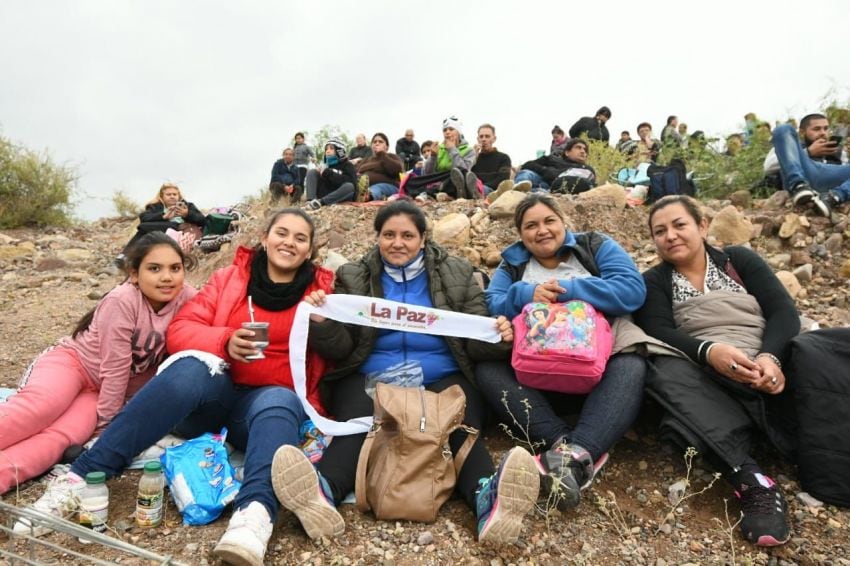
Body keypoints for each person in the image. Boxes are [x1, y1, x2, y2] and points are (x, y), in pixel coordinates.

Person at [16, 209, 337, 566]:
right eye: (282, 233)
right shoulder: (229, 279)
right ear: (265, 238)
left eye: (299, 238)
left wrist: (324, 324)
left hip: (265, 409)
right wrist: (225, 341)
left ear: (309, 250)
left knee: (279, 399)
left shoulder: (321, 293)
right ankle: (81, 477)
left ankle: (254, 517)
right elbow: (180, 329)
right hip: (215, 394)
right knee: (190, 369)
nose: (288, 243)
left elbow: (344, 350)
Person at [275, 199, 540, 544]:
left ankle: (489, 503)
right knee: (358, 426)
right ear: (377, 238)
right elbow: (342, 348)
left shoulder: (457, 272)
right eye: (388, 235)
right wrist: (324, 323)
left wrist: (499, 336)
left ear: (423, 239)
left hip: (443, 373)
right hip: (369, 374)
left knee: (459, 427)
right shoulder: (353, 275)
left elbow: (475, 341)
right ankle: (321, 495)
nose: (397, 243)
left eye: (407, 235)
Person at [634, 195, 798, 547]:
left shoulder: (738, 260)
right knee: (658, 367)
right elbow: (659, 331)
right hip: (707, 376)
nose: (671, 236)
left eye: (680, 225)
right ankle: (750, 477)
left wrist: (771, 357)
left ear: (702, 226)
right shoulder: (655, 281)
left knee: (827, 348)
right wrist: (710, 352)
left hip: (766, 365)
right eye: (660, 231)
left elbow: (784, 312)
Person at [478, 193, 647, 509]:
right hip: (538, 371)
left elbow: (632, 289)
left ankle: (576, 452)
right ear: (521, 234)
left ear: (563, 222)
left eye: (548, 221)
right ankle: (565, 447)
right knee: (487, 370)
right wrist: (528, 293)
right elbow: (491, 302)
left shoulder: (595, 246)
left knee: (632, 363)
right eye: (530, 226)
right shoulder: (513, 264)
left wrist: (565, 290)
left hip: (598, 366)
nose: (541, 230)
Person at [1, 233, 197, 494]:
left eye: (175, 268)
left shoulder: (188, 299)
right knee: (41, 409)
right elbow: (115, 368)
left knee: (62, 438)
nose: (166, 277)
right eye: (154, 268)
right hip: (74, 364)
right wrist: (107, 427)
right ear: (134, 273)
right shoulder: (122, 300)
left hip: (101, 392)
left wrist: (99, 430)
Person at [764, 113, 850, 216]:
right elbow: (769, 167)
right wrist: (808, 152)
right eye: (816, 129)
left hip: (828, 179)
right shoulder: (790, 143)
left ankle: (832, 198)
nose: (823, 133)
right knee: (783, 129)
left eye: (826, 129)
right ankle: (800, 187)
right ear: (802, 132)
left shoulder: (839, 151)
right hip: (802, 174)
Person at [117, 183, 206, 266]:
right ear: (162, 196)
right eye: (168, 194)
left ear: (179, 196)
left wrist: (187, 214)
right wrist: (163, 216)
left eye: (174, 194)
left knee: (144, 228)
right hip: (163, 228)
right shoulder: (155, 206)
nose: (172, 197)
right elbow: (144, 217)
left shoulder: (188, 206)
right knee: (145, 228)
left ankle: (125, 255)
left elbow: (202, 220)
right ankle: (128, 258)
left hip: (180, 228)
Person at [403, 116, 478, 200]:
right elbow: (427, 174)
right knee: (410, 181)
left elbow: (464, 170)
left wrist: (452, 150)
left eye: (451, 129)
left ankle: (432, 193)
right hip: (439, 180)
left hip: (453, 179)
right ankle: (441, 192)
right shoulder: (439, 148)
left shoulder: (469, 150)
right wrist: (433, 156)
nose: (447, 132)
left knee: (458, 173)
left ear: (458, 132)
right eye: (445, 130)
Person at [513, 139, 595, 193]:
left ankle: (520, 194)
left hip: (552, 190)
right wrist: (545, 170)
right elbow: (528, 165)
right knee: (526, 173)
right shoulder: (552, 159)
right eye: (578, 148)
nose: (583, 151)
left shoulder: (586, 169)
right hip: (539, 180)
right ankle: (515, 192)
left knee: (541, 193)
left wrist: (556, 175)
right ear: (567, 152)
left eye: (585, 150)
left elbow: (587, 185)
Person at [304, 138, 358, 210]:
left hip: (340, 194)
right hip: (326, 193)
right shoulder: (325, 165)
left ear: (339, 151)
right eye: (326, 149)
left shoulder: (347, 165)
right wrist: (320, 173)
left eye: (331, 148)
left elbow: (352, 182)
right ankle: (311, 201)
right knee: (312, 172)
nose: (328, 151)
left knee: (350, 186)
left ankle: (321, 202)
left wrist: (328, 173)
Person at [356, 132, 404, 201]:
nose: (377, 143)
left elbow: (396, 170)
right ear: (372, 146)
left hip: (388, 186)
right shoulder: (366, 159)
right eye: (374, 142)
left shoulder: (392, 156)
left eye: (380, 142)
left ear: (387, 147)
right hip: (366, 187)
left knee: (377, 188)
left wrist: (382, 154)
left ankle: (368, 196)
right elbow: (357, 171)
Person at [469, 123, 512, 196]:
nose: (484, 139)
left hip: (492, 191)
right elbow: (468, 176)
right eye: (481, 137)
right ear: (478, 139)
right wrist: (472, 157)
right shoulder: (474, 159)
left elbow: (503, 180)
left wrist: (479, 180)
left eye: (487, 136)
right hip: (474, 188)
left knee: (478, 187)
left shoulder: (504, 158)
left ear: (494, 139)